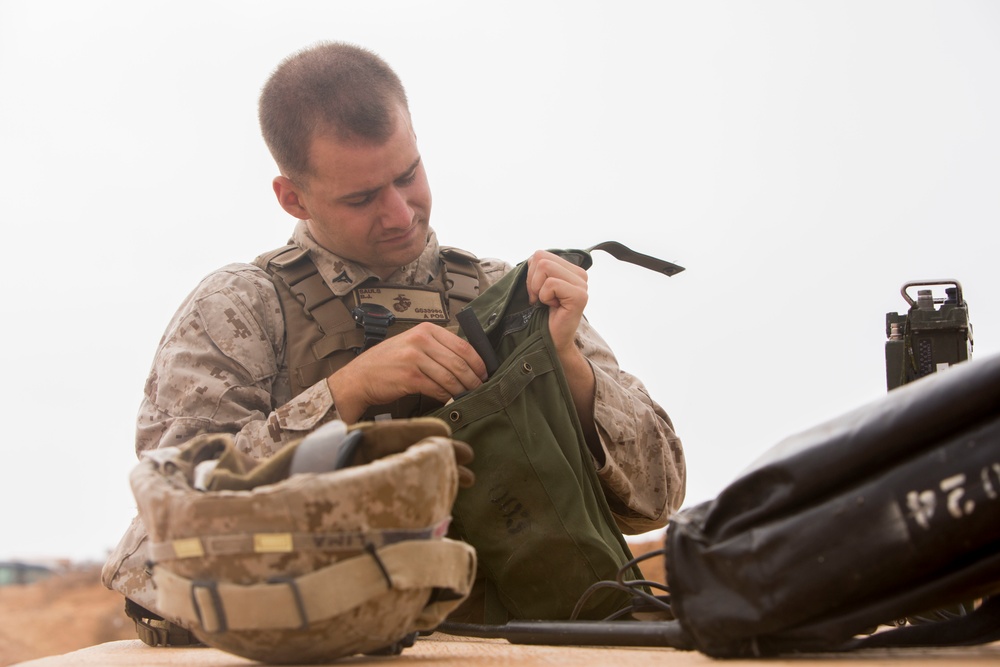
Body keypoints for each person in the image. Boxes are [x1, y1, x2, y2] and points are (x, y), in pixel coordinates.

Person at [107, 41, 685, 633]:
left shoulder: (510, 295)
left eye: (407, 176)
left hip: (510, 640)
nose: (401, 213)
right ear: (293, 197)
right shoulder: (240, 309)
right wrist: (345, 393)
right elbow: (178, 511)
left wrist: (561, 363)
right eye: (361, 198)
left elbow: (657, 498)